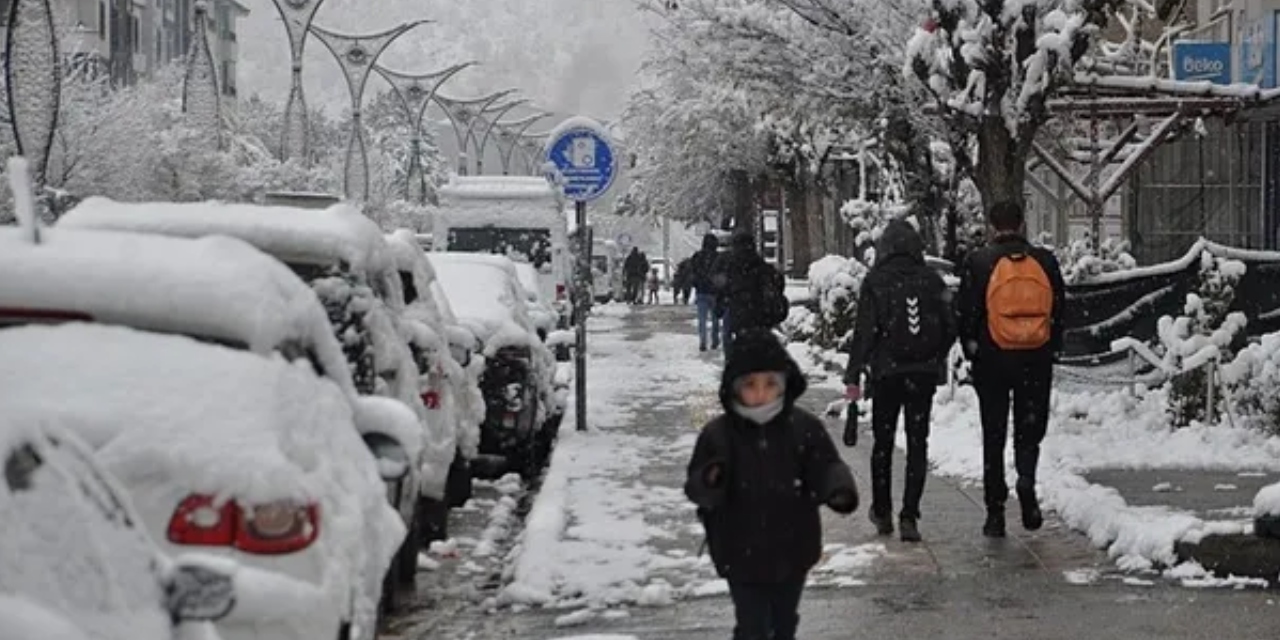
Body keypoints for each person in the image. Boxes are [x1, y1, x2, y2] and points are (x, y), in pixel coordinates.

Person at [685, 329, 858, 640]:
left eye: (770, 384)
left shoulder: (803, 428)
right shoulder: (720, 434)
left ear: (784, 384)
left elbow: (825, 464)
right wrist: (710, 480)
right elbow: (697, 485)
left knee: (783, 621)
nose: (761, 393)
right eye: (750, 385)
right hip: (739, 551)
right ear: (735, 388)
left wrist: (838, 488)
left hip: (792, 548)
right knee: (751, 624)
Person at [956, 201, 1066, 538]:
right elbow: (1060, 306)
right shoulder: (1044, 261)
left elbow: (966, 312)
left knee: (994, 431)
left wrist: (971, 348)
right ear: (1022, 224)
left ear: (992, 225)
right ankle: (1026, 479)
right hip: (1035, 356)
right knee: (1029, 427)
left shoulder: (979, 262)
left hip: (993, 358)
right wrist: (1053, 346)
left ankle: (995, 509)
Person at [843, 219, 956, 542]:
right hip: (921, 374)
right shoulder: (931, 281)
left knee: (883, 442)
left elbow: (864, 332)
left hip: (887, 373)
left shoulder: (876, 281)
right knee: (918, 442)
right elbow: (951, 325)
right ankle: (910, 513)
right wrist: (934, 355)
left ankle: (882, 511)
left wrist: (855, 372)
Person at [712, 231, 787, 357]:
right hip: (760, 315)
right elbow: (777, 284)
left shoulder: (732, 267)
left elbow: (723, 289)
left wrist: (719, 307)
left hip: (738, 314)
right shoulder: (762, 266)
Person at [689, 234, 723, 351]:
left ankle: (703, 341)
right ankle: (715, 340)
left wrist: (697, 283)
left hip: (701, 291)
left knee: (702, 319)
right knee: (715, 319)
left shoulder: (697, 257)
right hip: (715, 292)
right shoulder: (719, 258)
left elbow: (692, 273)